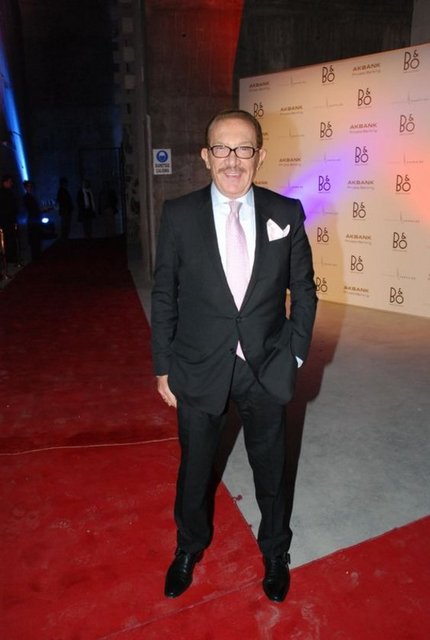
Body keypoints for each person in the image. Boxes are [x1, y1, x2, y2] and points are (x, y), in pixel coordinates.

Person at [151, 109, 317, 603]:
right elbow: (164, 294)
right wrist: (163, 366)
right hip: (199, 363)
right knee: (195, 469)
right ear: (206, 156)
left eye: (243, 148)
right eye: (221, 148)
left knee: (272, 469)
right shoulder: (179, 215)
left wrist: (296, 355)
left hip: (265, 365)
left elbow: (304, 290)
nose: (232, 160)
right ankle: (188, 547)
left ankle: (275, 551)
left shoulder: (285, 213)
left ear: (259, 156)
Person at [0, 174, 19, 265]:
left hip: (10, 219)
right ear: (5, 182)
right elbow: (5, 207)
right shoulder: (3, 193)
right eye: (10, 181)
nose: (11, 183)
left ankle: (12, 256)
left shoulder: (8, 192)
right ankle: (9, 257)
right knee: (8, 239)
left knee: (11, 238)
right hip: (6, 220)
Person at [22, 180, 43, 261]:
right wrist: (40, 210)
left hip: (35, 219)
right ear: (26, 188)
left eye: (31, 186)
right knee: (34, 240)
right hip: (32, 220)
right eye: (29, 186)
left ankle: (37, 257)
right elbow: (31, 209)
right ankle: (35, 258)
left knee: (37, 239)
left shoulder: (31, 197)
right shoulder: (27, 197)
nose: (30, 188)